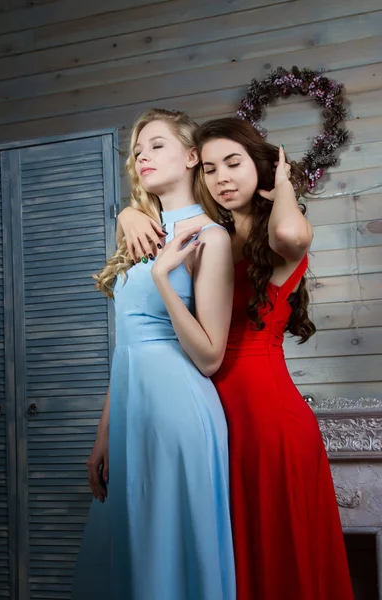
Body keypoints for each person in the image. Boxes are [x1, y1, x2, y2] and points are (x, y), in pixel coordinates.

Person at [118, 117, 354, 600]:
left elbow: (290, 231)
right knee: (230, 560)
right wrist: (129, 213)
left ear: (260, 166)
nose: (222, 178)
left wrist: (283, 182)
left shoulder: (279, 238)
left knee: (278, 558)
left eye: (234, 163)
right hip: (210, 410)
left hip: (268, 420)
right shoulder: (210, 236)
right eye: (209, 169)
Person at [71, 109, 236, 600]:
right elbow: (129, 343)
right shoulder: (139, 232)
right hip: (129, 409)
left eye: (157, 144)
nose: (142, 154)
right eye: (138, 149)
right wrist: (104, 433)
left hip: (176, 409)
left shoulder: (211, 237)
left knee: (165, 556)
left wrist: (164, 278)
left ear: (191, 157)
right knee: (127, 556)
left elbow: (209, 357)